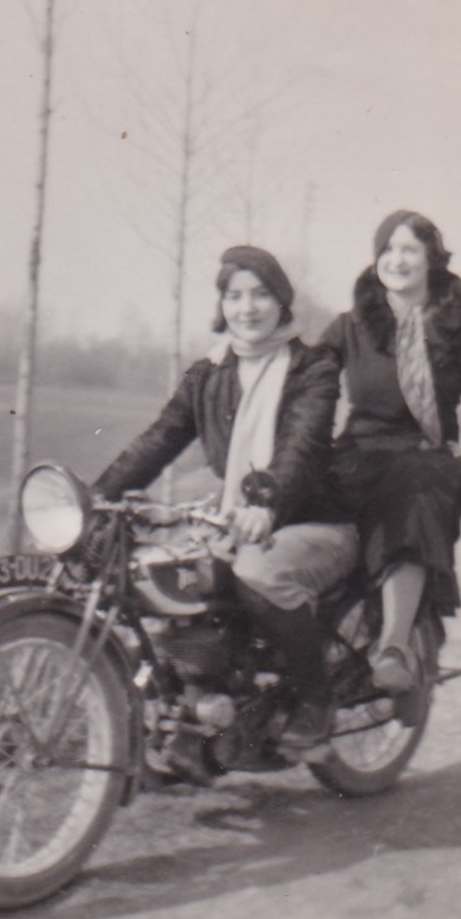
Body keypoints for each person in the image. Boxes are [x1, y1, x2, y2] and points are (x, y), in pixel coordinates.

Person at [93, 245, 358, 749]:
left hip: (314, 521)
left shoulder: (312, 368)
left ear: (281, 301)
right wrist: (94, 498)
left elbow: (301, 446)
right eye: (235, 296)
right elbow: (159, 438)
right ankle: (196, 695)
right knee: (158, 570)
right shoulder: (208, 375)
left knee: (258, 574)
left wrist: (267, 503)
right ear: (222, 305)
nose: (247, 308)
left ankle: (315, 698)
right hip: (238, 518)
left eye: (260, 294)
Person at [319, 209, 461, 707]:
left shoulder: (460, 328)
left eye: (409, 249)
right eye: (388, 249)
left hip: (425, 455)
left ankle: (395, 647)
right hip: (358, 452)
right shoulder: (351, 327)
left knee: (413, 496)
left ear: (431, 260)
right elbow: (303, 385)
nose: (396, 260)